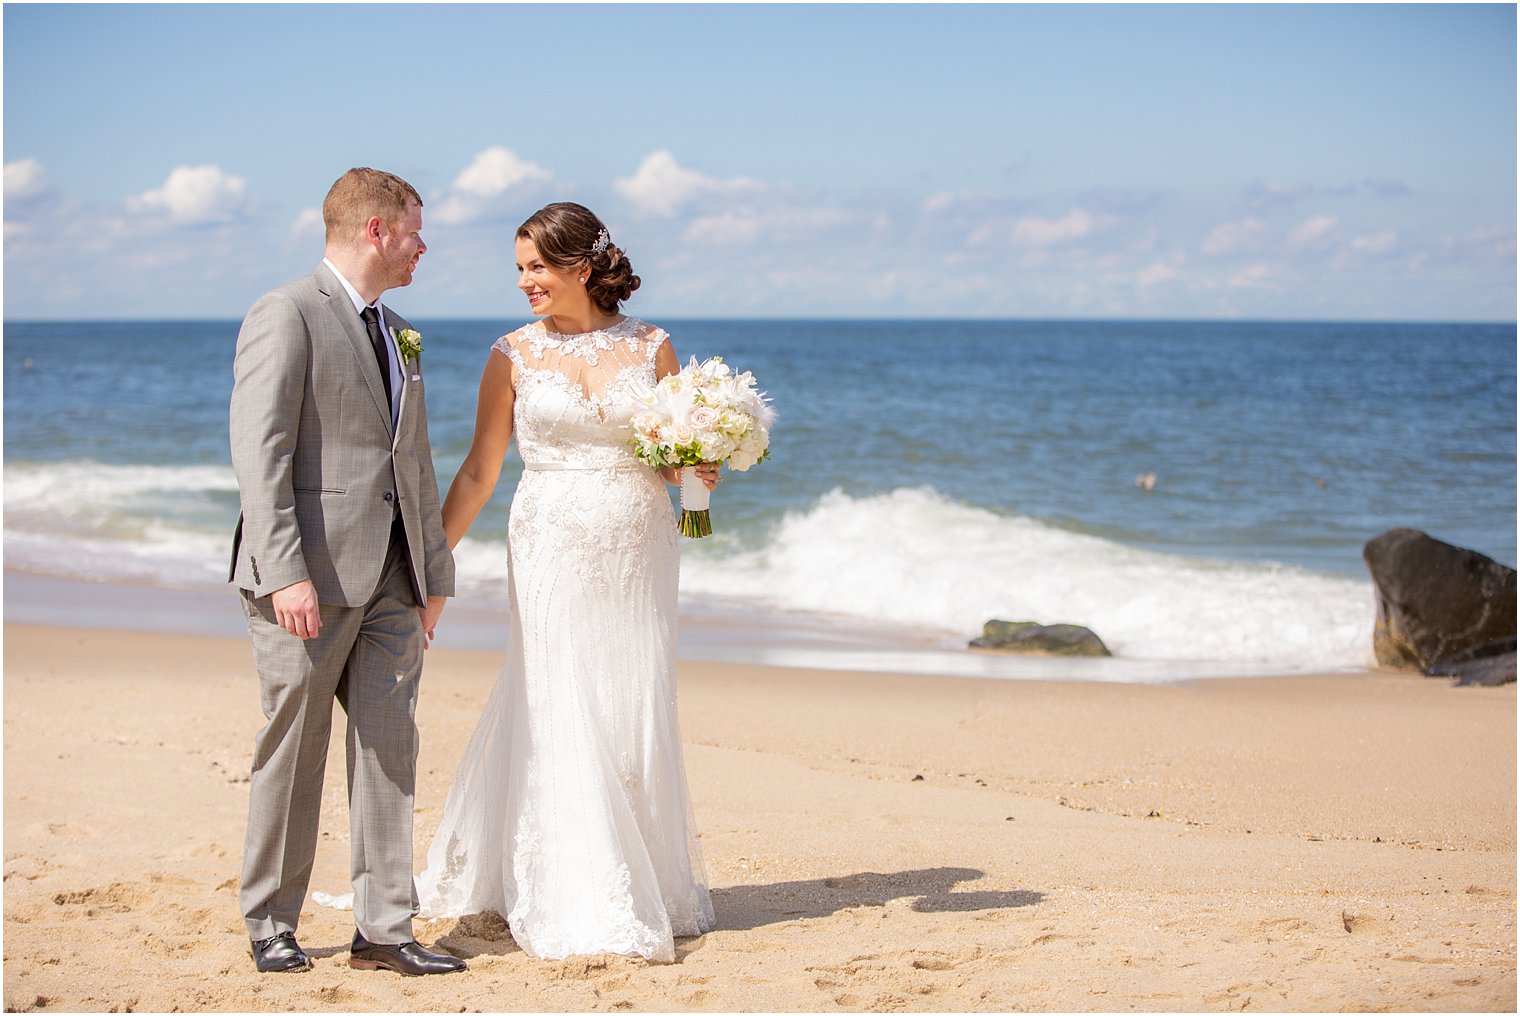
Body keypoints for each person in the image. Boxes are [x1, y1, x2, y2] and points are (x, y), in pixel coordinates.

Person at [414, 202, 717, 961]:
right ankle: (566, 882)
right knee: (558, 693)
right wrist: (430, 564)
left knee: (631, 694)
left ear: (583, 266)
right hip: (548, 537)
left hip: (638, 541)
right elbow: (483, 469)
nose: (526, 282)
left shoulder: (654, 346)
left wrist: (698, 469)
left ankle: (640, 872)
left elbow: (667, 452)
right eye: (520, 268)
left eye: (537, 266)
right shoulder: (511, 354)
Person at [228, 168, 465, 976]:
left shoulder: (398, 329)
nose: (422, 245)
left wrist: (433, 574)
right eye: (414, 231)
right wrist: (284, 570)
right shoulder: (286, 312)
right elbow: (263, 453)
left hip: (395, 582)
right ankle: (270, 920)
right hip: (308, 581)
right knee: (293, 750)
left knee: (389, 750)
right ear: (375, 230)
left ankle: (385, 928)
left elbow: (417, 464)